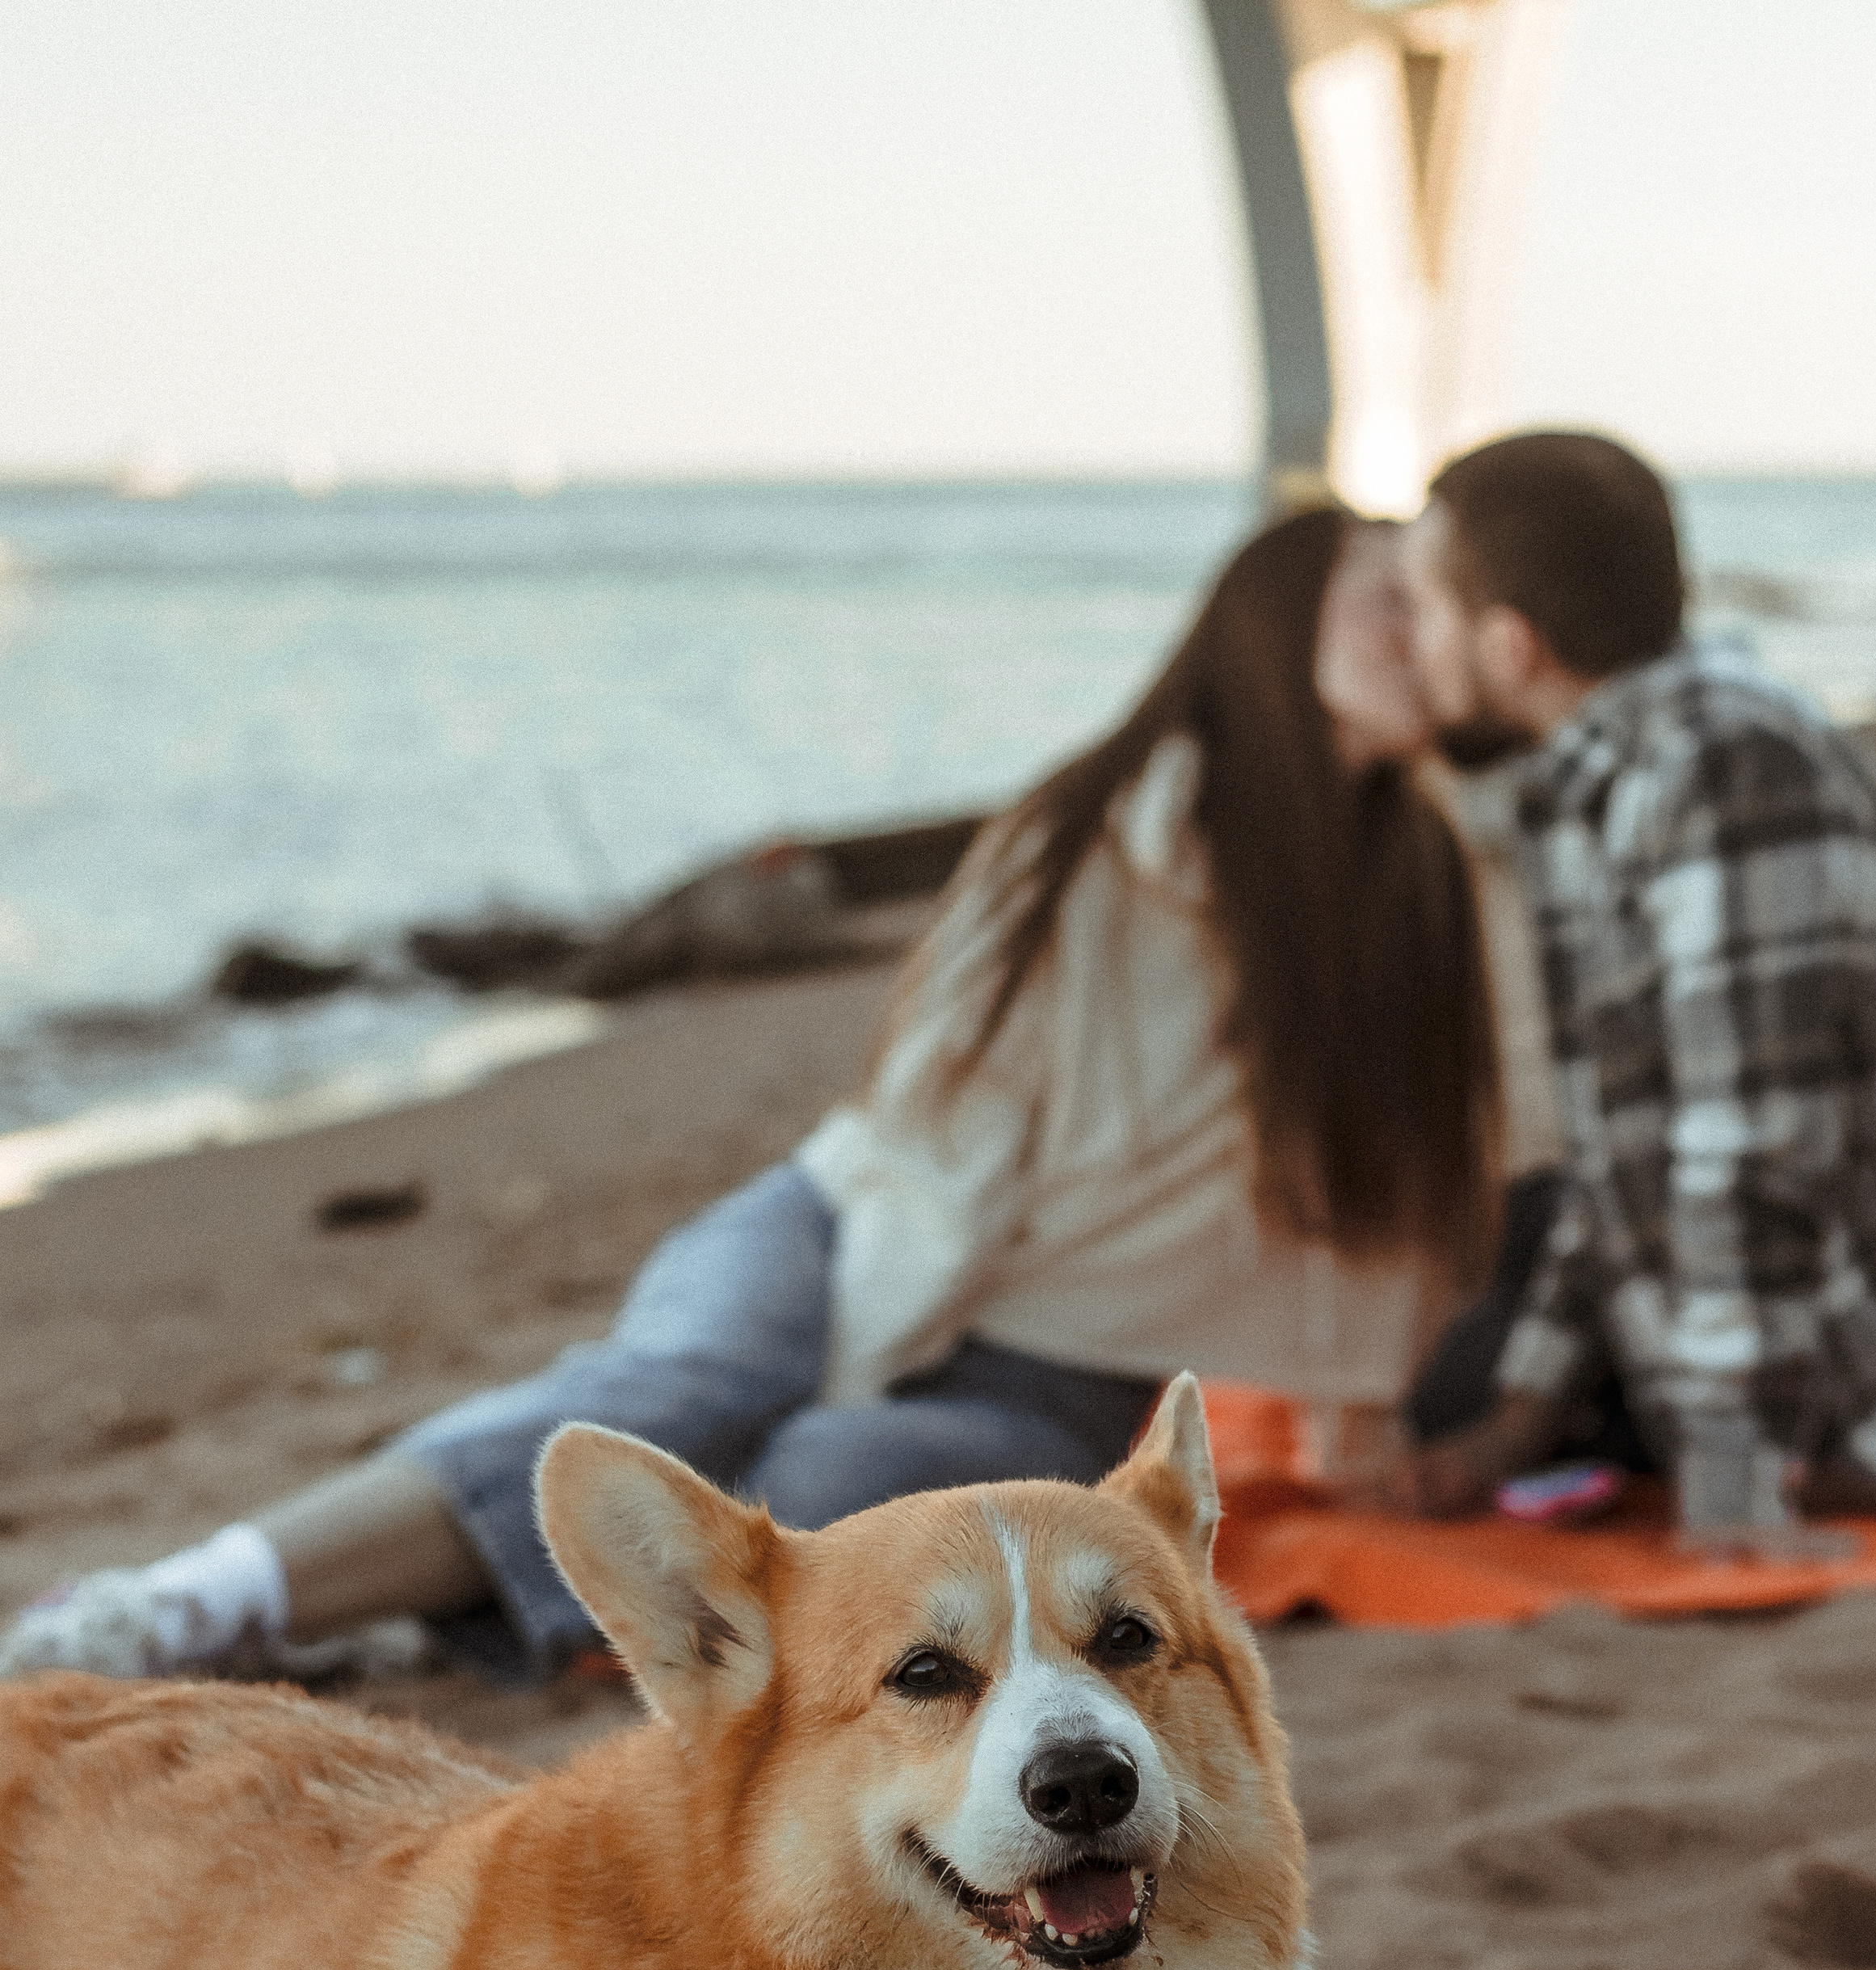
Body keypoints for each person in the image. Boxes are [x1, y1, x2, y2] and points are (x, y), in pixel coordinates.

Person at [2, 508, 1565, 1686]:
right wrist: (860, 1350)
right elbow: (930, 1134)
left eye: (1436, 611)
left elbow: (1466, 1171)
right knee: (673, 1403)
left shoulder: (1442, 882)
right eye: (1389, 603)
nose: (1428, 635)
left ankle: (382, 1613)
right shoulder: (1092, 833)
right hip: (852, 1229)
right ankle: (189, 1600)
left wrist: (1401, 1398)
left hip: (1054, 1375)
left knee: (817, 1489)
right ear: (1271, 629)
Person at [1388, 427, 1876, 1532]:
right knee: (1471, 1354)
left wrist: (1732, 1486)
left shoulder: (1729, 775)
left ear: (1510, 646)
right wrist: (1522, 1421)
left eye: (1423, 612)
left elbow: (1749, 1153)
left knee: (1463, 1359)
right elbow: (1622, 1146)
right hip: (1825, 1241)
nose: (1410, 647)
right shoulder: (1587, 782)